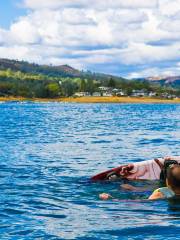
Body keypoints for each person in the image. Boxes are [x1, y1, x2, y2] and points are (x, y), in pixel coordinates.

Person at [99, 164, 180, 201]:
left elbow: (145, 201)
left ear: (167, 182)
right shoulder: (164, 191)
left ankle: (132, 188)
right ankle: (134, 188)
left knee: (138, 195)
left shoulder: (160, 193)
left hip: (160, 199)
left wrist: (112, 199)